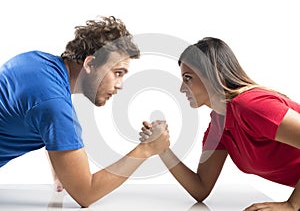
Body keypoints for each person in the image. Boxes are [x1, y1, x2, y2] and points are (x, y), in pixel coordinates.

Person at [0, 16, 170, 207]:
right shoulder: (54, 104)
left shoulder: (36, 61)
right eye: (117, 73)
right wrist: (146, 149)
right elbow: (86, 194)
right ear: (89, 64)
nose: (120, 85)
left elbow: (42, 119)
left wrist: (62, 175)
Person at [140, 37, 300, 211]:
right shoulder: (219, 126)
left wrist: (292, 205)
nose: (181, 88)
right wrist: (162, 149)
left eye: (188, 78)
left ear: (212, 75)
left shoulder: (251, 106)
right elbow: (200, 188)